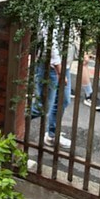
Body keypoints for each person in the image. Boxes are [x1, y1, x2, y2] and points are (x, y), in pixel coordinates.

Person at [31, 20, 74, 149]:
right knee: (42, 107)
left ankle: (52, 135)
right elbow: (50, 39)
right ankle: (11, 124)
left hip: (64, 64)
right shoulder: (51, 11)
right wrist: (59, 70)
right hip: (50, 65)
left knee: (63, 100)